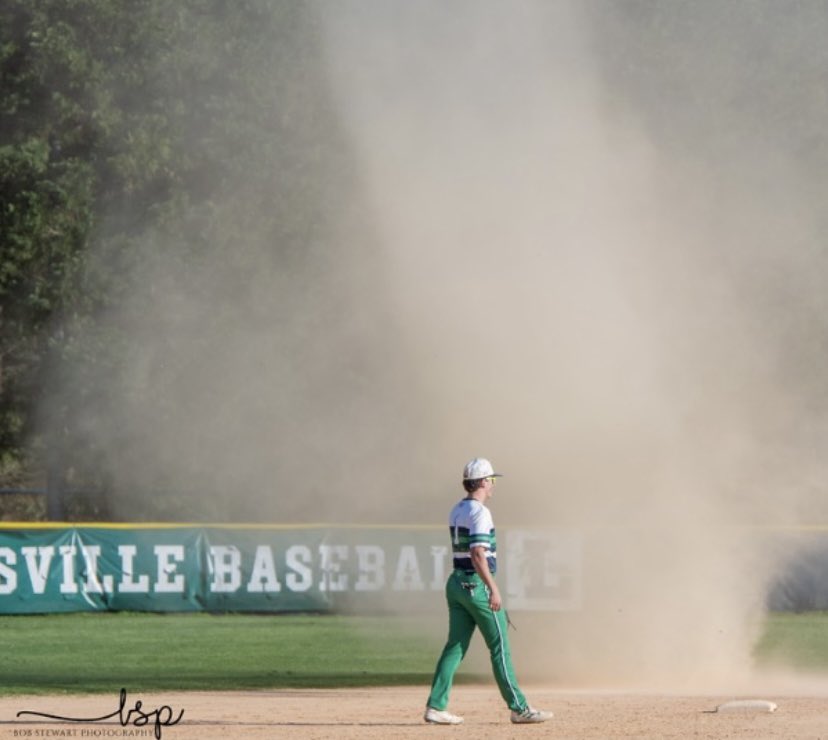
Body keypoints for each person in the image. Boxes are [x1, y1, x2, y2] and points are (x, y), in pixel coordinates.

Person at [423, 457, 553, 725]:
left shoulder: (457, 508)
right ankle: (519, 708)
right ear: (483, 481)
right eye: (492, 480)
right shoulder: (480, 512)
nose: (493, 485)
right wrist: (493, 589)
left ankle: (436, 706)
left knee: (455, 646)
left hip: (456, 583)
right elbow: (477, 553)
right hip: (476, 585)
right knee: (500, 647)